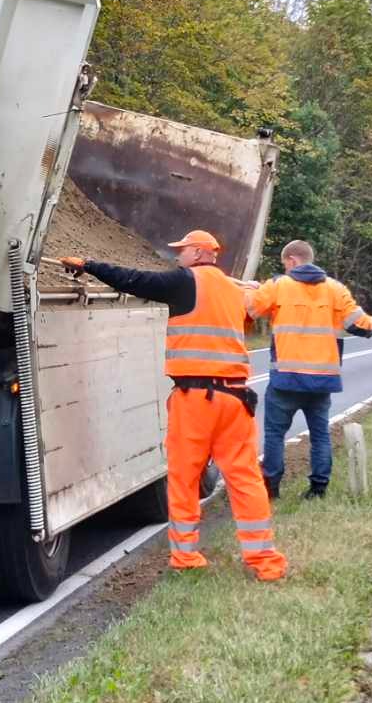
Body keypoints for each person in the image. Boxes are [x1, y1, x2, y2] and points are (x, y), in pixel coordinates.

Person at [60, 231, 285, 580]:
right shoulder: (233, 290)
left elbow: (134, 281)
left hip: (194, 400)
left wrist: (90, 265)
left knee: (183, 479)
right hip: (235, 398)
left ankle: (185, 557)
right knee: (245, 479)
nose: (177, 256)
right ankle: (265, 562)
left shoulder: (185, 282)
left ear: (198, 253)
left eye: (182, 251)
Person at [247, 239, 372, 500]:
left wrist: (255, 290)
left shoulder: (277, 286)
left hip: (286, 380)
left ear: (292, 260)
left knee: (274, 433)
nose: (285, 269)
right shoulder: (336, 289)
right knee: (320, 435)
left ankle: (271, 486)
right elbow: (361, 325)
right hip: (321, 381)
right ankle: (318, 488)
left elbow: (251, 310)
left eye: (285, 264)